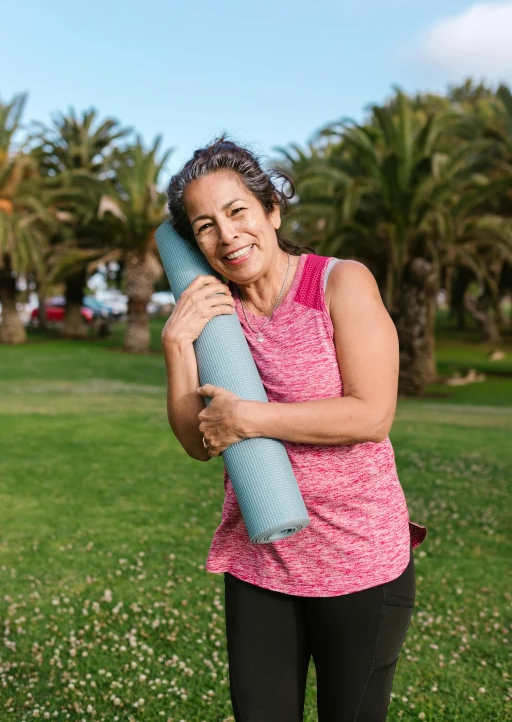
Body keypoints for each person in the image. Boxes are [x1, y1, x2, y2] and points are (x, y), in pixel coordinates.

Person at [161, 136, 427, 722]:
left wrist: (249, 418)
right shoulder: (214, 314)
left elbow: (371, 413)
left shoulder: (340, 283)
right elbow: (198, 444)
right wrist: (178, 343)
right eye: (204, 226)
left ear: (272, 212)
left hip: (359, 557)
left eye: (237, 213)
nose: (226, 235)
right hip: (262, 557)